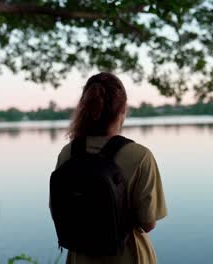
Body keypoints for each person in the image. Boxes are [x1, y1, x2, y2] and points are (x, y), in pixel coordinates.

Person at [53, 72, 167, 264]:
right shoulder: (139, 156)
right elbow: (148, 224)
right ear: (123, 108)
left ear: (84, 107)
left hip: (80, 256)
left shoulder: (68, 153)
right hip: (128, 256)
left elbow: (59, 211)